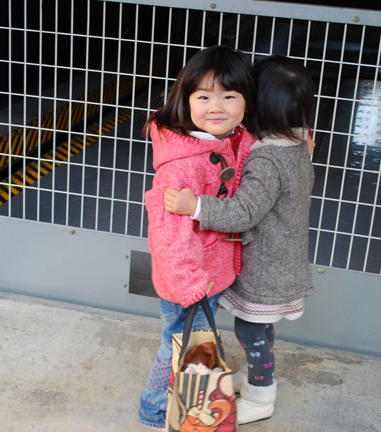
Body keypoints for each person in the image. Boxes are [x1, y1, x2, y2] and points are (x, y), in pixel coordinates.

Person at [164, 55, 315, 425]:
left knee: (251, 330)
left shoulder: (267, 160)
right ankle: (253, 377)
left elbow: (244, 212)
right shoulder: (299, 143)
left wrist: (196, 205)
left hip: (267, 267)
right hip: (285, 261)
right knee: (260, 329)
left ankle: (261, 395)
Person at [139, 45, 257, 430]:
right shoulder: (181, 167)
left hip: (209, 275)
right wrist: (190, 286)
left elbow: (246, 149)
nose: (216, 107)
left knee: (191, 345)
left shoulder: (228, 141)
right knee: (178, 344)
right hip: (188, 282)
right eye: (203, 97)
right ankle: (154, 408)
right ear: (185, 99)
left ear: (246, 101)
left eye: (229, 96)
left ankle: (174, 404)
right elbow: (168, 236)